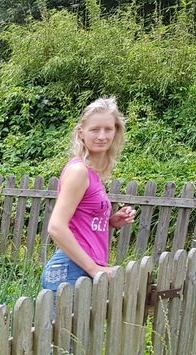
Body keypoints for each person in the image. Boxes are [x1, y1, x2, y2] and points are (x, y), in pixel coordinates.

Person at [42, 97, 137, 293]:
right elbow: (56, 226)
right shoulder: (79, 171)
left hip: (81, 269)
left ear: (116, 132)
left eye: (108, 129)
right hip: (71, 271)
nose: (102, 136)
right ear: (81, 133)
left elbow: (80, 224)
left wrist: (111, 222)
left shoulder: (93, 174)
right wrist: (93, 269)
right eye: (95, 129)